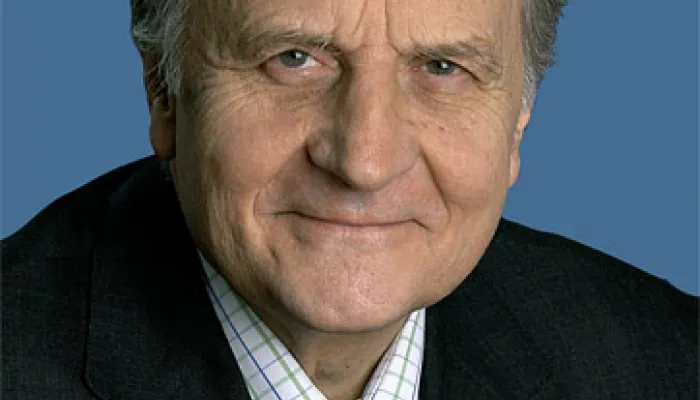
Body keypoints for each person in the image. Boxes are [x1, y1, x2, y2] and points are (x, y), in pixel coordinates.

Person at [3, 0, 697, 399]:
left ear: (518, 118)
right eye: (293, 59)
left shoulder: (662, 361)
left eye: (443, 67)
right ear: (164, 89)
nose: (365, 163)